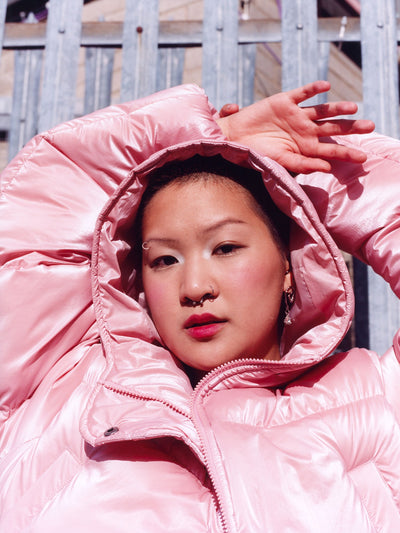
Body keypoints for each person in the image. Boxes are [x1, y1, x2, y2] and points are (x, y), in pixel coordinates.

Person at [1, 80, 399, 532]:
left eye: (226, 248)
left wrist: (306, 168)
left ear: (289, 264)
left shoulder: (376, 396)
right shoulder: (62, 389)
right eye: (164, 260)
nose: (193, 288)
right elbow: (36, 213)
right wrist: (210, 137)